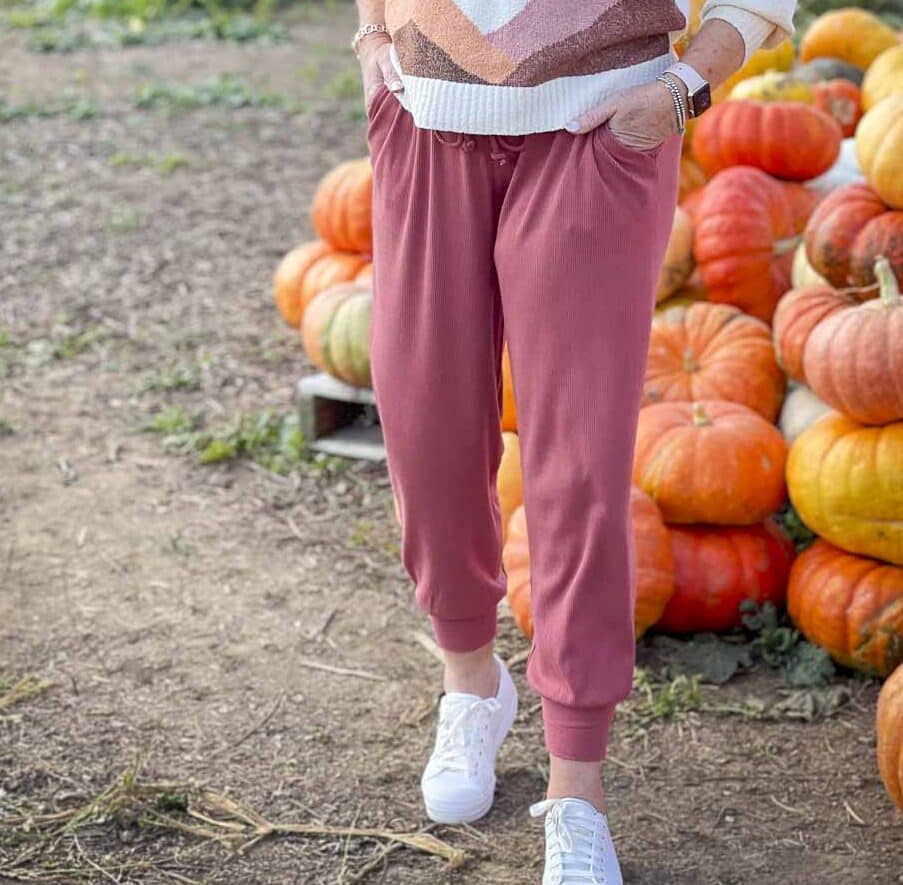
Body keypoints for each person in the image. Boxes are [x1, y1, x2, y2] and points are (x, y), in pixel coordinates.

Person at [353, 1, 795, 880]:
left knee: (577, 467)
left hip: (598, 128)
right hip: (422, 120)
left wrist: (679, 88)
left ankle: (576, 786)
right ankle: (471, 684)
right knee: (423, 432)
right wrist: (370, 39)